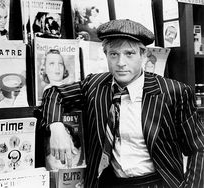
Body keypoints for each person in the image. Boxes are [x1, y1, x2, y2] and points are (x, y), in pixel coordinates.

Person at [40, 19, 204, 188]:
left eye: (129, 54)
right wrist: (56, 127)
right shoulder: (95, 85)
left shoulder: (173, 92)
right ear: (105, 55)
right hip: (109, 182)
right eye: (114, 54)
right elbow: (53, 93)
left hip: (155, 183)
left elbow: (199, 148)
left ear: (143, 55)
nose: (121, 63)